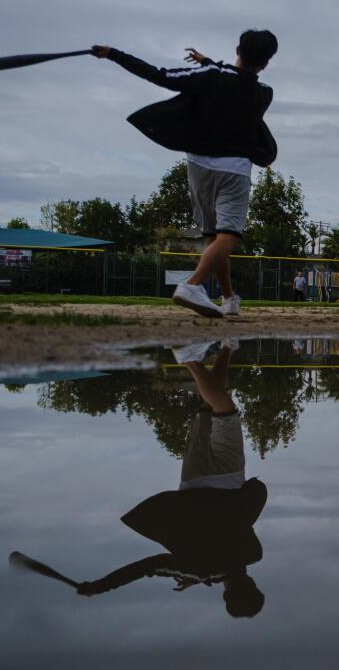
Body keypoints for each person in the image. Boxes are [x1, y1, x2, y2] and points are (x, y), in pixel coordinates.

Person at [91, 30, 279, 318]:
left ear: (238, 48)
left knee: (213, 237)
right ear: (266, 63)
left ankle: (228, 298)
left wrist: (113, 54)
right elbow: (236, 82)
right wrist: (209, 63)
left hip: (199, 165)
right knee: (228, 236)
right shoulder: (264, 94)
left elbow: (158, 75)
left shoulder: (210, 77)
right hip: (235, 169)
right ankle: (192, 285)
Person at [72, 342, 267, 618]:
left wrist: (201, 577)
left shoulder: (251, 553)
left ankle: (192, 356)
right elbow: (146, 568)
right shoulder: (199, 568)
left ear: (253, 584)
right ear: (226, 594)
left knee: (222, 409)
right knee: (210, 405)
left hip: (229, 480)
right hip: (194, 482)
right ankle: (226, 348)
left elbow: (231, 565)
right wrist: (100, 587)